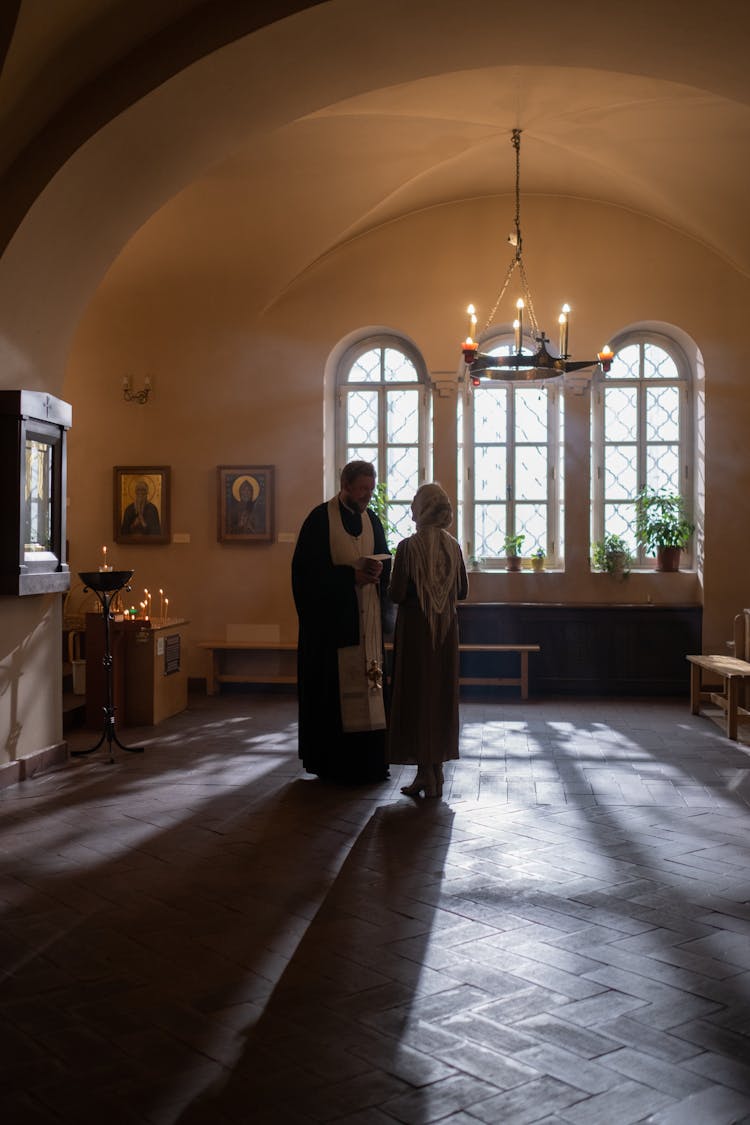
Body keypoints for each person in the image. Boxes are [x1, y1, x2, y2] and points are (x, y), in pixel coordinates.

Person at [292, 461, 392, 783]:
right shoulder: (320, 520)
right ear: (345, 485)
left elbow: (384, 556)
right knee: (333, 695)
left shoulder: (372, 519)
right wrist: (351, 576)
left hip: (368, 624)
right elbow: (306, 576)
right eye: (362, 489)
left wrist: (378, 571)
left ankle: (371, 763)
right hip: (333, 630)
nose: (366, 496)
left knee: (371, 689)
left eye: (370, 490)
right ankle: (334, 764)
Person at [387, 482, 468, 798]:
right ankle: (437, 772)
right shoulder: (453, 546)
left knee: (416, 694)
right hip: (446, 632)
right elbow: (462, 591)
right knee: (441, 695)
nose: (411, 510)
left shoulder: (407, 547)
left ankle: (424, 772)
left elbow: (395, 593)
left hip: (416, 632)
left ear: (422, 509)